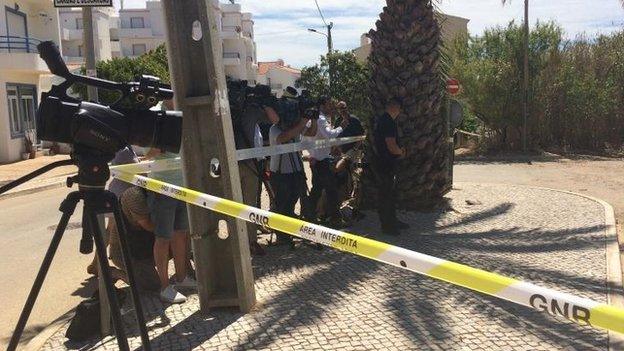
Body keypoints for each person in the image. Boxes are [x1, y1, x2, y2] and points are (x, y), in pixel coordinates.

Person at [146, 100, 196, 303]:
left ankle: (182, 277)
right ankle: (164, 286)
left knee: (181, 234)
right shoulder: (156, 114)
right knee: (163, 237)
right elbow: (147, 153)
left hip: (183, 185)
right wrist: (158, 148)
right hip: (162, 187)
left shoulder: (183, 112)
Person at [87, 146, 138, 277]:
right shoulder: (124, 149)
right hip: (120, 193)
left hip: (119, 191)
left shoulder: (125, 148)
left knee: (110, 231)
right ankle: (98, 264)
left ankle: (96, 264)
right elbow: (132, 168)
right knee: (110, 232)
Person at [269, 95, 313, 245]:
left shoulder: (296, 127)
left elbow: (312, 132)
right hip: (280, 173)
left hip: (295, 171)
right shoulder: (274, 129)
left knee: (292, 202)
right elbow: (284, 137)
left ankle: (289, 230)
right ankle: (282, 236)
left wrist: (313, 118)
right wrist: (302, 123)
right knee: (282, 204)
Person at [108, 186, 160, 292]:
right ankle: (114, 273)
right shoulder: (135, 195)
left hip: (146, 245)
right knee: (151, 285)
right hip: (127, 250)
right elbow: (148, 225)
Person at [302, 96, 344, 227]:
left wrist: (311, 155)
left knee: (317, 191)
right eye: (328, 104)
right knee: (331, 191)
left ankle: (310, 216)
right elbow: (330, 135)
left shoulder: (316, 120)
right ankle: (335, 220)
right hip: (322, 161)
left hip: (317, 160)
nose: (330, 107)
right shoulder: (320, 120)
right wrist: (341, 127)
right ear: (322, 105)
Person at [373, 99, 410, 236]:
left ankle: (392, 220)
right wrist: (401, 151)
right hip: (386, 164)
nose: (400, 111)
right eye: (399, 108)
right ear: (394, 107)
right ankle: (388, 226)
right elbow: (391, 145)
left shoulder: (384, 120)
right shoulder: (388, 122)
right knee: (387, 195)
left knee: (390, 194)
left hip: (384, 163)